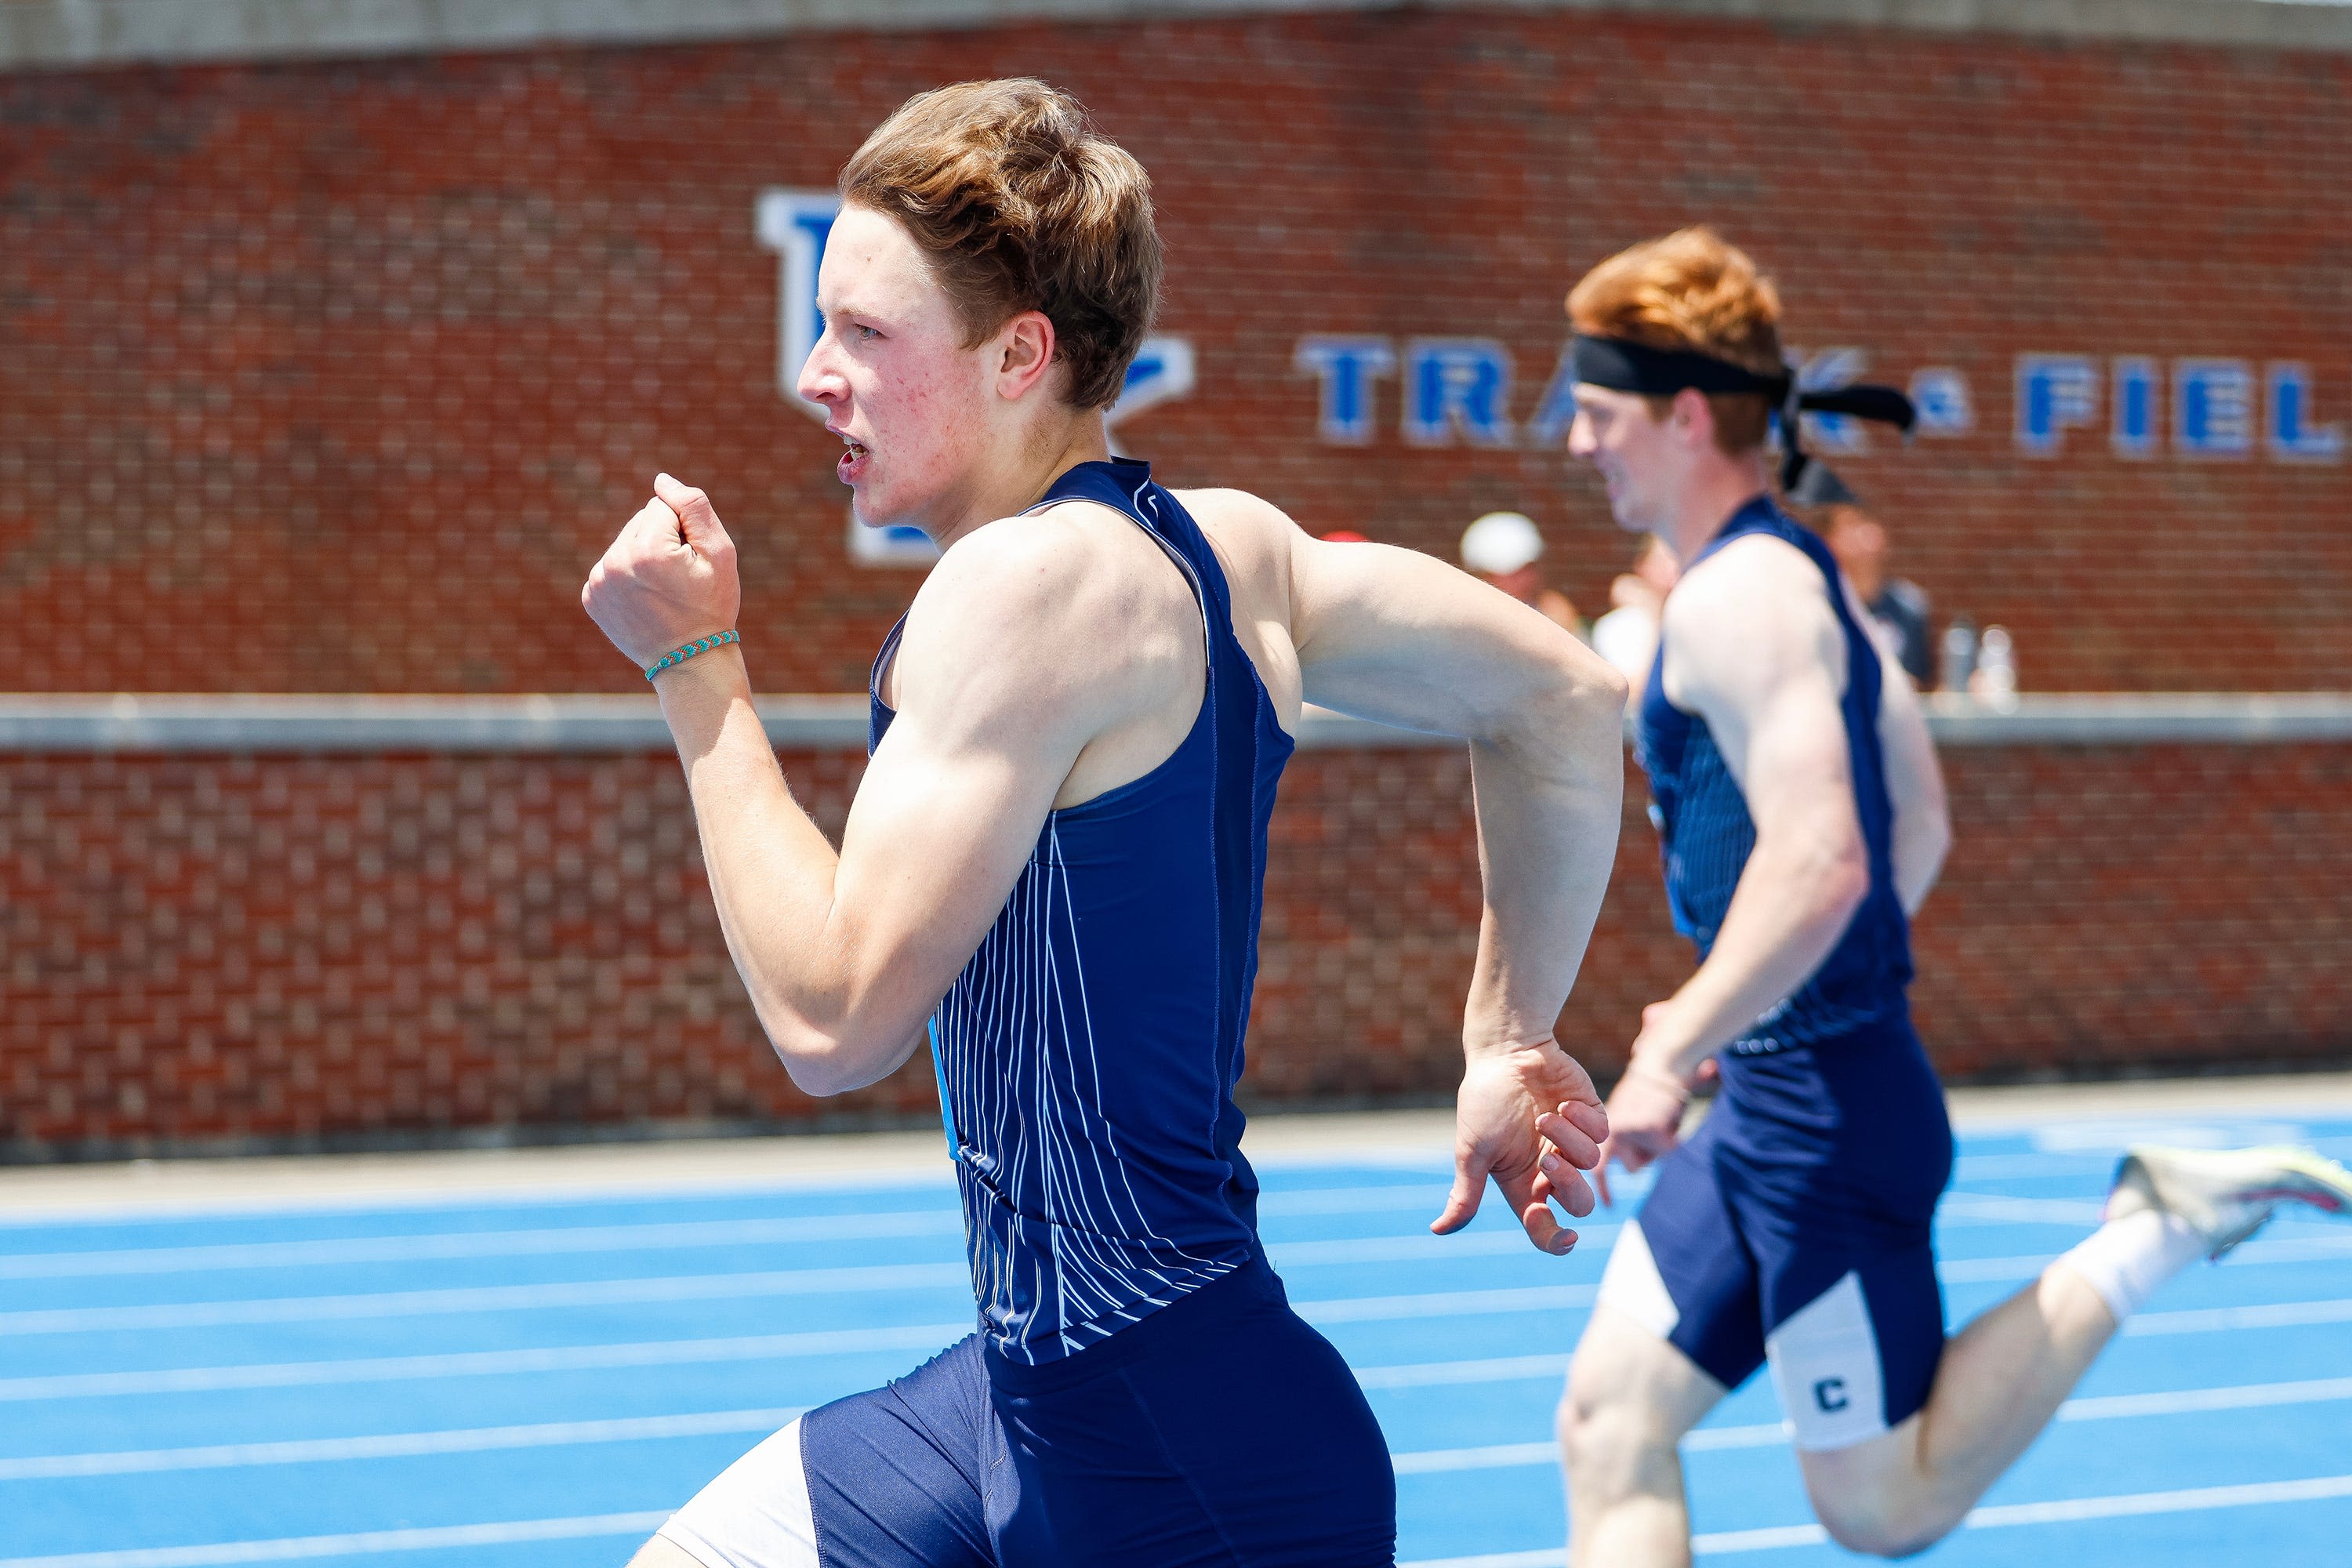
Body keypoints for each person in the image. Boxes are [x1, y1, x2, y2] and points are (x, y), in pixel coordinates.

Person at [581, 80, 1628, 1568]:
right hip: (1037, 1398)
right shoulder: (1234, 547)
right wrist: (1507, 1035)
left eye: (866, 335)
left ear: (1021, 355)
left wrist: (696, 669)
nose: (817, 376)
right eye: (824, 324)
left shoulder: (1022, 589)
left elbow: (830, 1018)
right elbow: (1566, 702)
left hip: (1179, 1465)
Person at [1538, 226, 2352, 1566]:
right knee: (1610, 1420)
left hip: (1819, 1120)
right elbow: (1914, 818)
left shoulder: (1740, 597)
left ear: (1687, 417)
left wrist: (1677, 1048)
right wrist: (1784, 1012)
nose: (1578, 441)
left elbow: (1829, 857)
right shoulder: (1802, 580)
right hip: (1785, 1093)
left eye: (1601, 411)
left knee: (1880, 1505)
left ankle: (2158, 1224)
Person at [1821, 503, 1933, 687]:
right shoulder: (1822, 604)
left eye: (1868, 523)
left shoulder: (1909, 606)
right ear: (1828, 541)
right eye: (1851, 525)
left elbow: (1923, 680)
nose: (1864, 535)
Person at [1461, 510, 1582, 633]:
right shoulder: (1467, 620)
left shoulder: (1554, 609)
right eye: (1515, 573)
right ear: (1485, 576)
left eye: (1530, 567)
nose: (1528, 579)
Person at [1588, 534, 1678, 698]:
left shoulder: (1696, 614)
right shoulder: (1618, 625)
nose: (1673, 568)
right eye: (1664, 559)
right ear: (1642, 565)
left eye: (1677, 556)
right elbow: (1634, 690)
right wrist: (1654, 612)